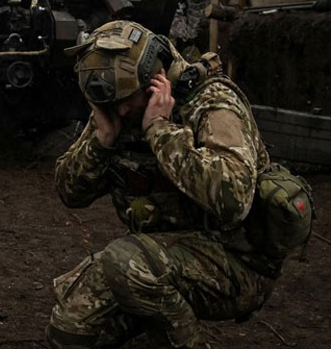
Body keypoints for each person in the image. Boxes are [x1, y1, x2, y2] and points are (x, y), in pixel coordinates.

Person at [45, 19, 312, 349]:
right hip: (156, 261)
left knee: (125, 262)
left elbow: (234, 200)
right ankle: (151, 308)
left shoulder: (212, 102)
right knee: (68, 332)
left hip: (236, 265)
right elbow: (70, 193)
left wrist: (159, 130)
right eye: (112, 104)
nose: (122, 110)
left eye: (128, 100)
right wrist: (103, 140)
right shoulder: (119, 103)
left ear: (155, 79)